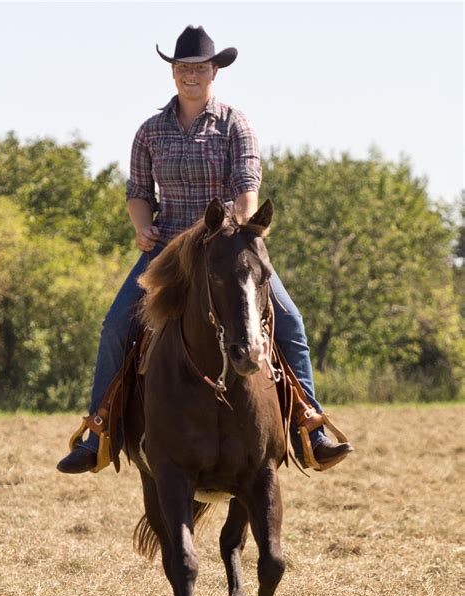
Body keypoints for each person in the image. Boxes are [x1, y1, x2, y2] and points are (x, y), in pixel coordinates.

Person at [57, 25, 352, 474]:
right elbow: (139, 191)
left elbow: (247, 183)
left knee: (290, 320)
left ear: (215, 72)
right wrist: (141, 226)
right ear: (173, 74)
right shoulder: (150, 131)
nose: (190, 74)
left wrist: (242, 225)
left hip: (226, 249)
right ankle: (101, 432)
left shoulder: (236, 123)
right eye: (182, 68)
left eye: (199, 67)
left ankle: (309, 426)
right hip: (168, 253)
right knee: (116, 326)